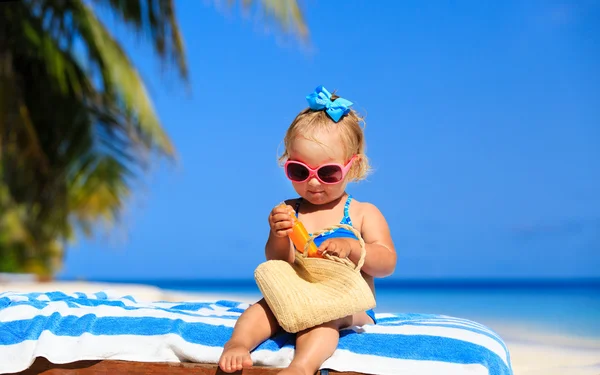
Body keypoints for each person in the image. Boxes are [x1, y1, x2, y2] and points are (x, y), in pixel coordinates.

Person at [218, 86, 397, 375]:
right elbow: (278, 263)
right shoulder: (290, 210)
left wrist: (353, 248)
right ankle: (237, 344)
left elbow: (387, 263)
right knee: (264, 308)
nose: (313, 183)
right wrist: (278, 234)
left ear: (352, 167)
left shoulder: (363, 213)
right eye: (300, 171)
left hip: (348, 304)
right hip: (299, 294)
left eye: (327, 173)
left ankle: (302, 366)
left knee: (324, 318)